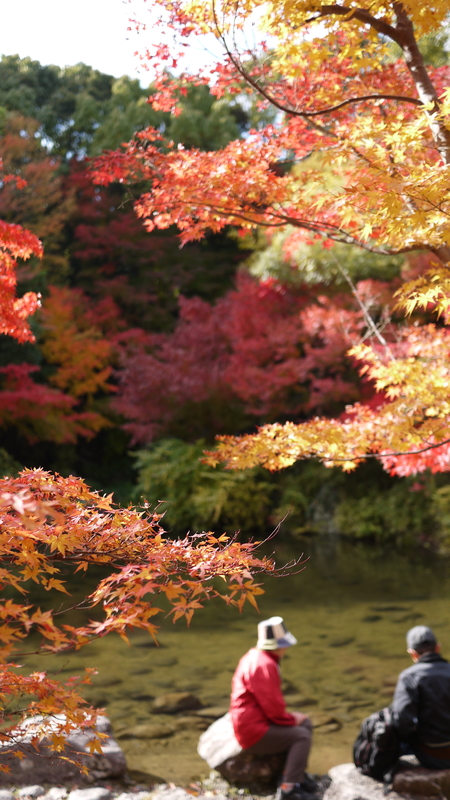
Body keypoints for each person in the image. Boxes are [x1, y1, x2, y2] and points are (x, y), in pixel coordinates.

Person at [230, 615, 316, 800]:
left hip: (251, 722)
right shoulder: (265, 665)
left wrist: (294, 719)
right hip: (253, 730)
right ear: (279, 645)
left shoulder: (254, 655)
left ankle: (296, 776)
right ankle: (288, 789)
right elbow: (272, 705)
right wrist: (292, 719)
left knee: (305, 724)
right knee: (301, 735)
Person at [391, 625, 450, 769]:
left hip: (435, 755)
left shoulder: (409, 677)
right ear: (437, 648)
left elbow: (401, 720)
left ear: (413, 653)